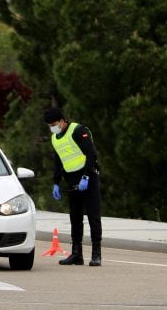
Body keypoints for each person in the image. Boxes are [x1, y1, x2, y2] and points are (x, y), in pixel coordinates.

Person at [45, 106, 103, 267]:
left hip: (88, 177)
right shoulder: (55, 138)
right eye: (49, 126)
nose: (52, 128)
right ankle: (77, 254)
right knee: (75, 218)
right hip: (72, 180)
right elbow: (58, 162)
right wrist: (56, 182)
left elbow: (91, 155)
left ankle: (96, 254)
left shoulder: (78, 130)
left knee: (93, 216)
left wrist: (86, 176)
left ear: (63, 121)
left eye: (54, 124)